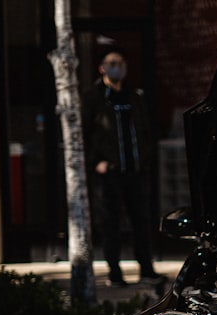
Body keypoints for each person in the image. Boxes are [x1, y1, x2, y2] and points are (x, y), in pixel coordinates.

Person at [83, 48, 163, 287]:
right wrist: (96, 162)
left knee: (142, 221)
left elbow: (147, 130)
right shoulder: (94, 97)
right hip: (110, 173)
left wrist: (146, 159)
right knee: (111, 223)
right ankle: (114, 272)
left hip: (136, 171)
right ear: (102, 68)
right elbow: (84, 133)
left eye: (120, 62)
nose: (117, 67)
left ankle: (146, 268)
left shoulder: (134, 96)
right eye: (111, 63)